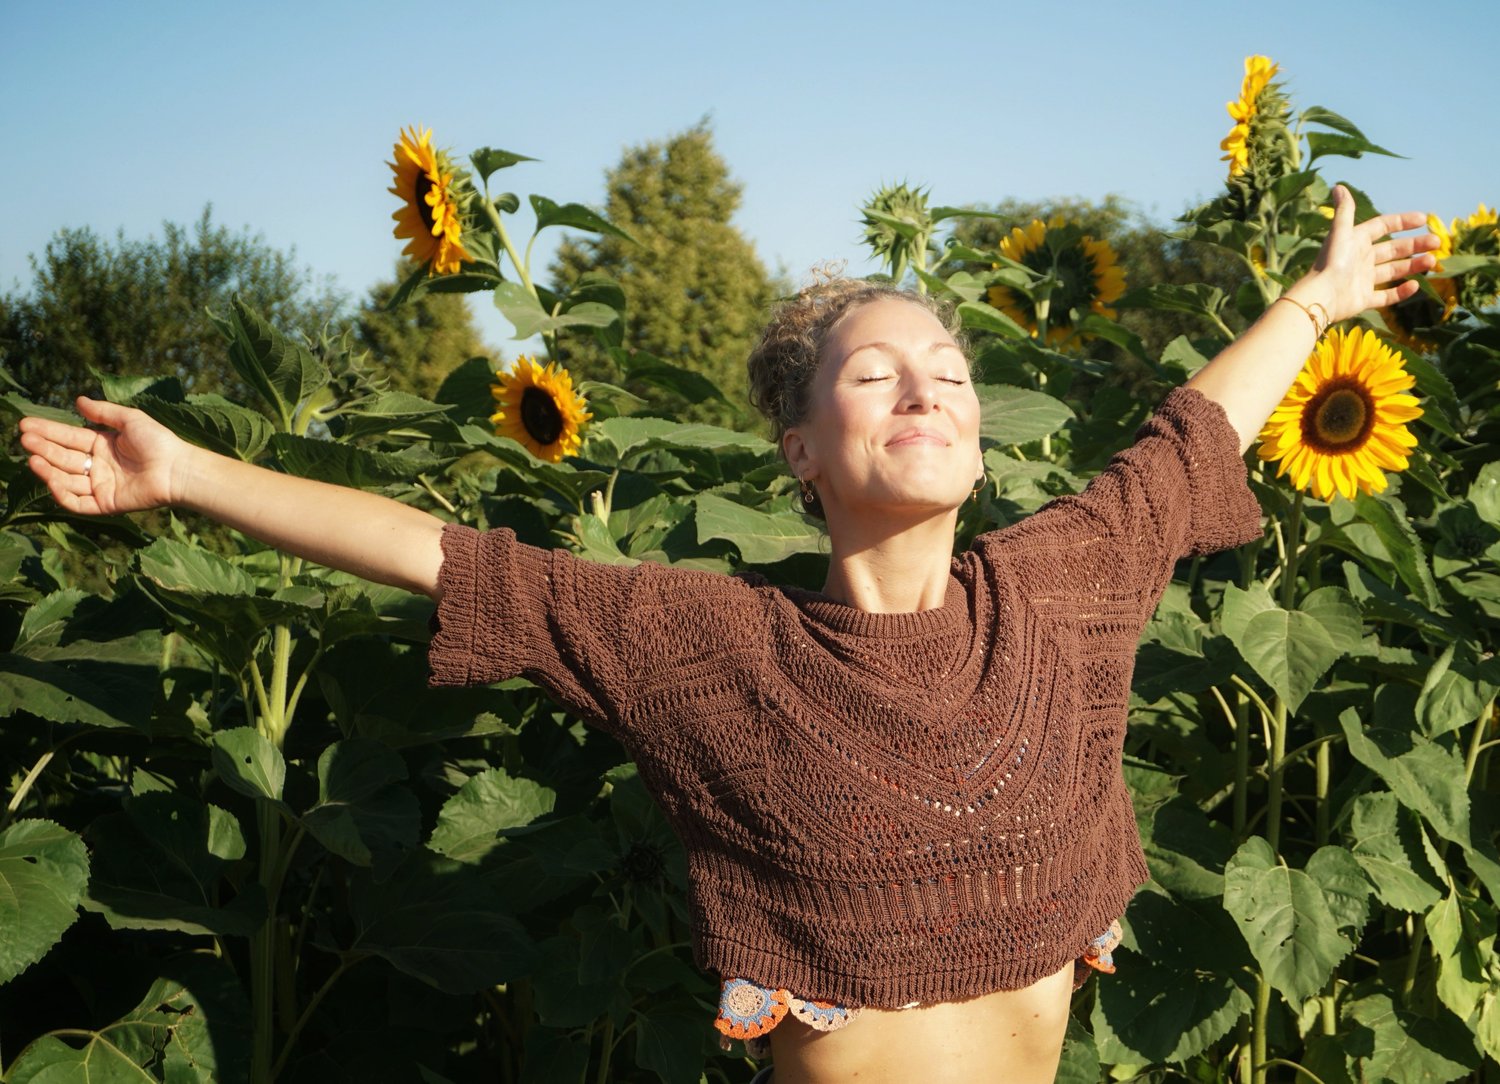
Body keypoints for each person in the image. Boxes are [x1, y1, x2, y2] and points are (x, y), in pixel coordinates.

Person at [17, 186, 1434, 1084]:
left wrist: (1315, 299)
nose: (925, 388)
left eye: (948, 371)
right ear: (800, 451)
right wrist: (186, 473)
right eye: (873, 374)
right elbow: (443, 557)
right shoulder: (712, 646)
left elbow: (1189, 441)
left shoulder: (1058, 592)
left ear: (983, 441)